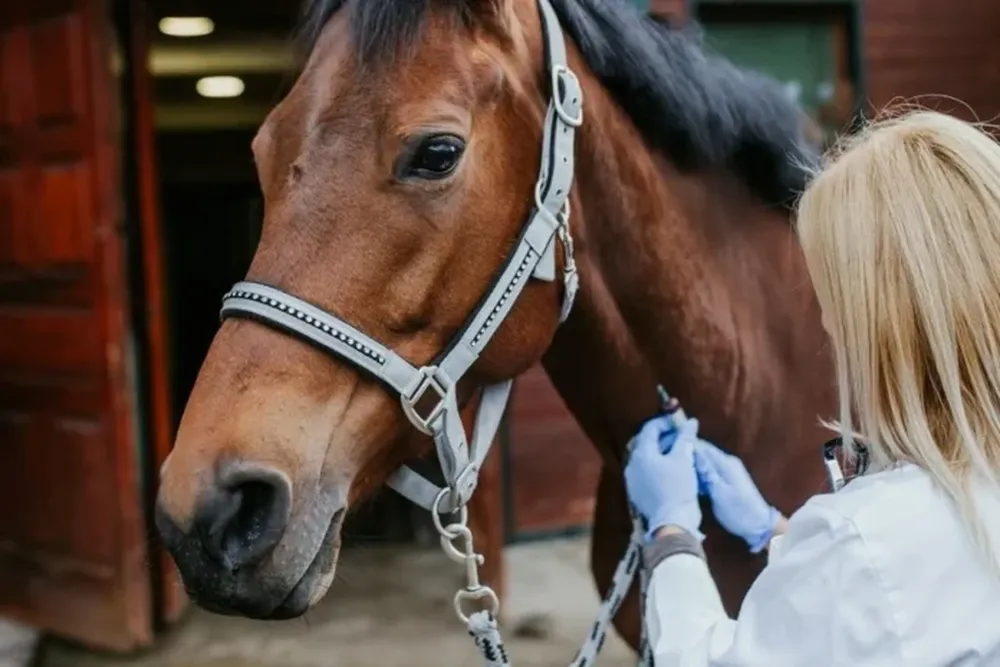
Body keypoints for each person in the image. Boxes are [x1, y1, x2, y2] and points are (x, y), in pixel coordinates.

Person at [625, 109, 1000, 666]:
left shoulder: (868, 543)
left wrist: (671, 530)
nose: (824, 322)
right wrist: (773, 529)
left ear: (882, 325)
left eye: (831, 299)